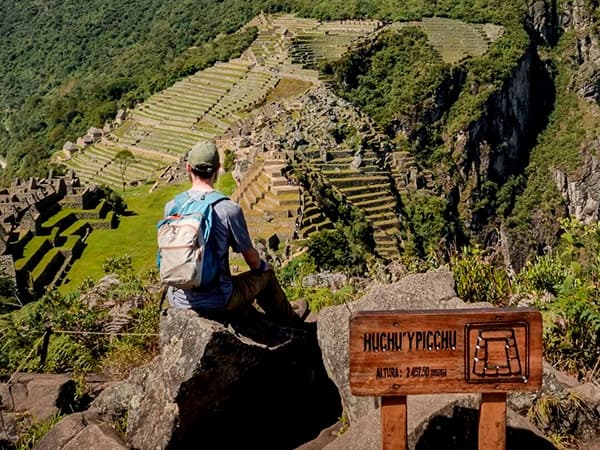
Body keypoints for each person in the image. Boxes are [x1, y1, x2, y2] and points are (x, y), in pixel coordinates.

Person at [164, 140, 308, 326]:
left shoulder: (172, 206)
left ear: (188, 168)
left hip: (177, 298)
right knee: (266, 276)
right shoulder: (228, 209)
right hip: (218, 300)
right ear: (218, 168)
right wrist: (264, 267)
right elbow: (253, 261)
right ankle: (290, 321)